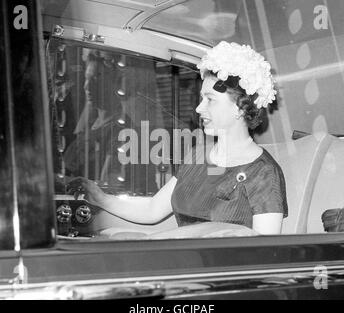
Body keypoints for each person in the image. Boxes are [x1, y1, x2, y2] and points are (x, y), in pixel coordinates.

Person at [67, 41, 288, 236]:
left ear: (240, 107)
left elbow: (263, 251)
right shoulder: (196, 157)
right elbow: (153, 210)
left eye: (210, 100)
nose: (199, 108)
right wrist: (101, 198)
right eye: (201, 98)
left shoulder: (264, 173)